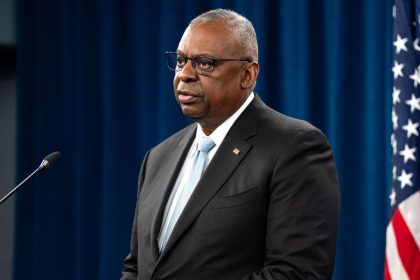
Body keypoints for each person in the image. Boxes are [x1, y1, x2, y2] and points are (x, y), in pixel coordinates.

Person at [121, 8, 339, 280]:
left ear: (247, 75)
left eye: (204, 63)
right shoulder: (157, 158)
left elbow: (297, 273)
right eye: (180, 61)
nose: (185, 74)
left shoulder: (294, 147)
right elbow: (137, 268)